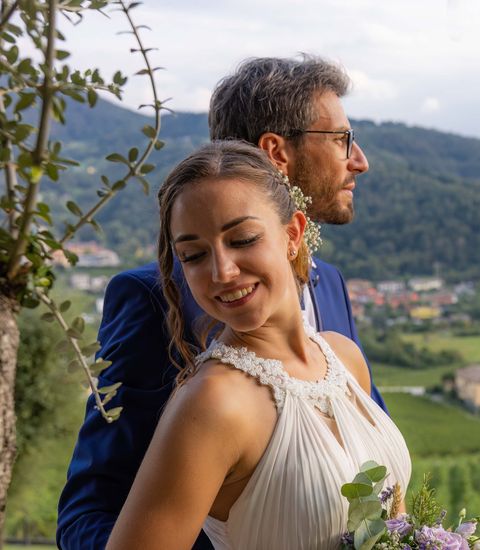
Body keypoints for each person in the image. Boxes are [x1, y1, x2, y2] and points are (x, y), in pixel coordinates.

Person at [57, 56, 379, 549]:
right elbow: (90, 510)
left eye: (245, 241)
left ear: (292, 236)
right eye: (341, 139)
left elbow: (370, 466)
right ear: (277, 152)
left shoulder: (330, 286)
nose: (358, 160)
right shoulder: (148, 300)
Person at [105, 140, 410, 549]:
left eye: (243, 239)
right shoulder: (212, 403)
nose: (222, 272)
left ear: (293, 233)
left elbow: (392, 519)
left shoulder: (344, 356)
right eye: (193, 255)